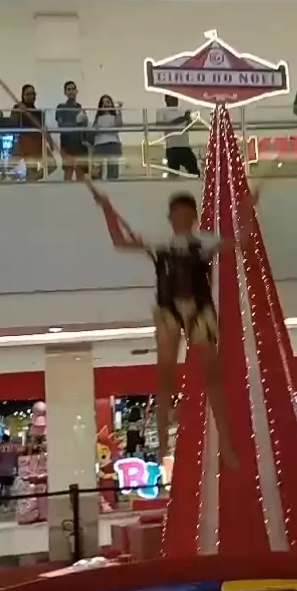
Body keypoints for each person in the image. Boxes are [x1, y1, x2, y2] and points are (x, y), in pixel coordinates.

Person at [86, 180, 259, 466]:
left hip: (199, 309)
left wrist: (247, 211)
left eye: (185, 214)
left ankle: (226, 443)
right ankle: (163, 442)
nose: (181, 219)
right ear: (170, 218)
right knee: (165, 374)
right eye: (176, 214)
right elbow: (120, 241)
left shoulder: (206, 241)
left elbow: (242, 241)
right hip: (168, 309)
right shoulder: (160, 242)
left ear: (193, 217)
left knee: (213, 375)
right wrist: (106, 209)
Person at [156, 95, 199, 177]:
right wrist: (183, 118)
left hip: (185, 146)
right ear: (166, 100)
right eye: (172, 98)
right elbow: (162, 125)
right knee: (174, 174)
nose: (175, 100)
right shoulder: (162, 112)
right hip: (172, 147)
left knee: (194, 171)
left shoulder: (182, 110)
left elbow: (187, 126)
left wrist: (188, 119)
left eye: (176, 98)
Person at [10, 84, 45, 181]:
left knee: (50, 166)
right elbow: (13, 122)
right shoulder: (18, 107)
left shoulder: (38, 112)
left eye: (33, 94)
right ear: (23, 95)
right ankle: (30, 182)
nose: (31, 96)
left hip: (36, 142)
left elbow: (41, 128)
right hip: (25, 141)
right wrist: (19, 111)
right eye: (28, 94)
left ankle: (30, 180)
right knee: (29, 168)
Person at [56, 80, 89, 181]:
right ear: (65, 92)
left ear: (76, 91)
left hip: (80, 144)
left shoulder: (80, 108)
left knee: (81, 172)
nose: (71, 91)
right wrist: (76, 122)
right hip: (67, 144)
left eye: (73, 89)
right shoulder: (61, 107)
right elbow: (61, 124)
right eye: (69, 89)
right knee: (68, 171)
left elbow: (85, 126)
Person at [92, 95, 123, 180]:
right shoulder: (98, 118)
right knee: (97, 170)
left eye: (108, 102)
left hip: (112, 143)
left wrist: (119, 111)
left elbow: (118, 126)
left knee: (113, 171)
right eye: (103, 103)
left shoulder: (114, 117)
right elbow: (94, 130)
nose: (106, 105)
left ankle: (112, 186)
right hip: (99, 144)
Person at [0, 435, 18, 507]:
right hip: (9, 471)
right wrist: (17, 469)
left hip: (0, 471)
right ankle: (7, 503)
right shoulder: (14, 448)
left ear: (3, 440)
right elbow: (16, 459)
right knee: (8, 488)